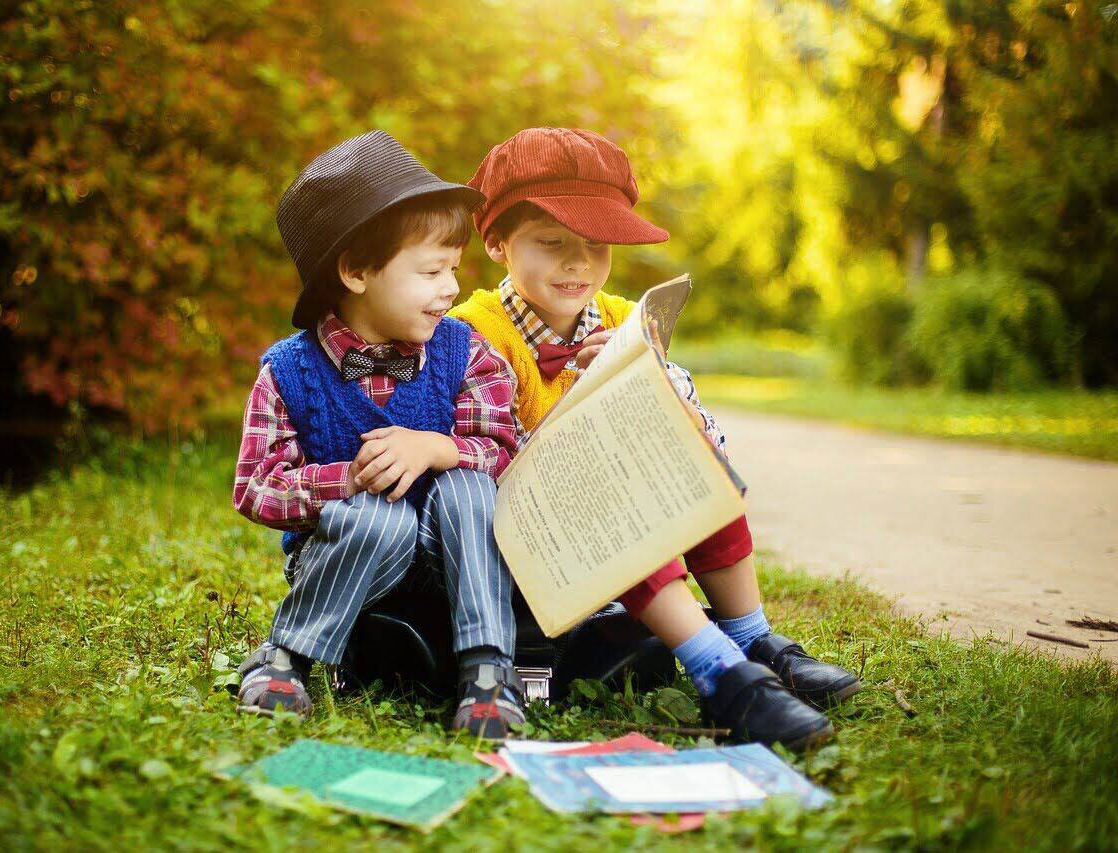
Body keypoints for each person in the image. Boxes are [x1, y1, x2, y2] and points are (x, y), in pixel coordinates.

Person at [451, 127, 860, 750]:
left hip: (602, 526)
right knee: (611, 497)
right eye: (551, 242)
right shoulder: (472, 334)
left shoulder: (620, 320)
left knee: (695, 461)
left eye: (595, 245)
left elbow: (690, 422)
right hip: (517, 538)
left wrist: (648, 388)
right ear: (499, 242)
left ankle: (751, 637)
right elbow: (482, 464)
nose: (576, 263)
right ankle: (719, 672)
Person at [232, 131, 525, 739]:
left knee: (469, 487)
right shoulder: (289, 371)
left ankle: (489, 673)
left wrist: (439, 448)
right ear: (357, 271)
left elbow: (503, 450)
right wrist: (349, 481)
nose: (450, 288)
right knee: (376, 514)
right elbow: (256, 488)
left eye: (454, 268)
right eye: (431, 271)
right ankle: (289, 658)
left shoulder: (467, 352)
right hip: (357, 562)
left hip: (455, 557)